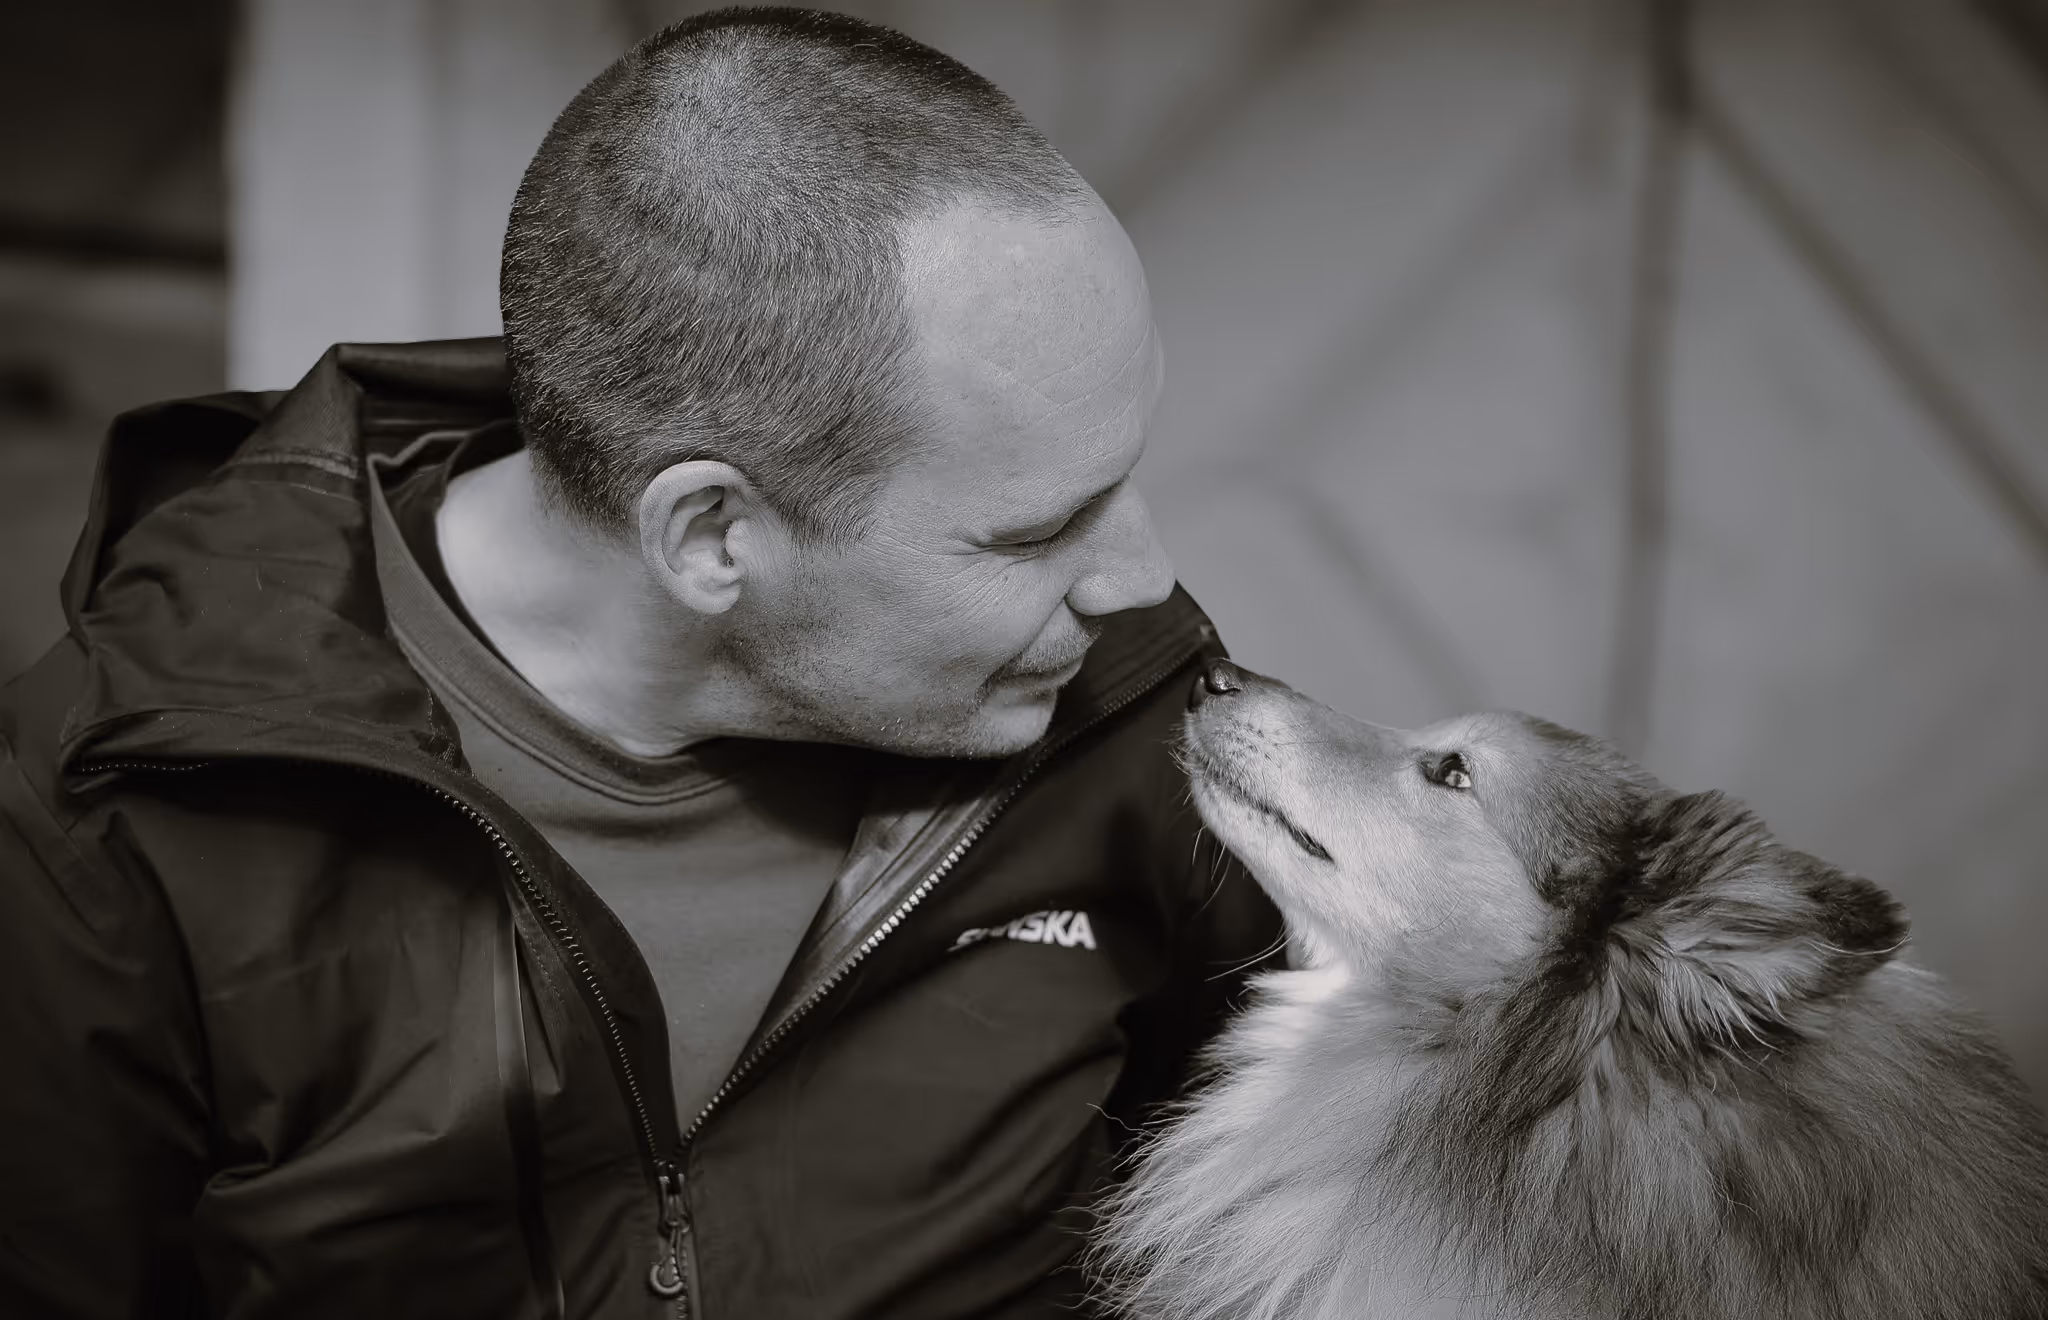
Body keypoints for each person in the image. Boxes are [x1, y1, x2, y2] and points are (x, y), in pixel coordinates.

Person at [0, 9, 1281, 1320]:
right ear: (713, 534)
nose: (1144, 582)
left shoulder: (1126, 710)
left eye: (1120, 479)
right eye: (1037, 528)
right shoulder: (111, 829)